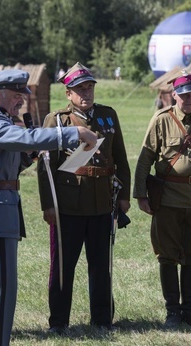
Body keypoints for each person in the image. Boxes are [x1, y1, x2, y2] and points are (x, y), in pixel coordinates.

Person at [0, 69, 97, 346]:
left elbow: (4, 163)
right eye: (16, 96)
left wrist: (28, 159)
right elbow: (26, 138)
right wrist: (74, 133)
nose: (21, 101)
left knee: (3, 288)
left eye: (23, 95)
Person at [37, 62, 131, 334]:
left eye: (89, 87)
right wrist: (48, 205)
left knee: (101, 265)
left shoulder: (108, 116)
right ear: (68, 93)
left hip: (102, 202)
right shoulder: (56, 120)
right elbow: (45, 168)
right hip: (67, 206)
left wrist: (123, 196)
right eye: (80, 89)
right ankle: (58, 322)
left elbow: (121, 158)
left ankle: (102, 319)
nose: (86, 93)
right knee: (63, 268)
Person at [133, 72, 191, 330]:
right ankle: (172, 312)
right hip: (167, 200)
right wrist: (140, 194)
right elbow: (144, 159)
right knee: (168, 256)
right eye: (184, 95)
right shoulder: (161, 120)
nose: (190, 99)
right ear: (175, 95)